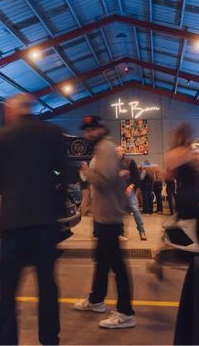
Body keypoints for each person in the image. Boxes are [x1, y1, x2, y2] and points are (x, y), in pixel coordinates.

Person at [0, 93, 69, 344]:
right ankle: (50, 338)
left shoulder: (3, 136)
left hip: (13, 223)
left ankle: (7, 340)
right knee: (47, 285)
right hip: (44, 222)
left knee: (8, 290)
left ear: (12, 110)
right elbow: (65, 173)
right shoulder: (52, 132)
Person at [72, 115, 138, 329]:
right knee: (102, 262)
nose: (87, 134)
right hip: (104, 215)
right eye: (86, 130)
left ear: (100, 129)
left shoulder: (106, 148)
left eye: (90, 129)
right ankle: (96, 300)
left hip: (110, 216)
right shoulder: (102, 147)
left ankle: (126, 312)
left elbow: (104, 180)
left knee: (117, 265)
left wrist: (86, 171)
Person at [163, 124, 199, 253]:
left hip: (182, 193)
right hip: (193, 194)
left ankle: (168, 246)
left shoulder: (172, 154)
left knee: (179, 222)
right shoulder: (189, 152)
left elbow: (168, 176)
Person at [118, 148, 146, 240]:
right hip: (118, 191)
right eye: (115, 151)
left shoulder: (130, 161)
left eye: (118, 151)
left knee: (135, 209)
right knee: (119, 212)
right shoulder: (113, 163)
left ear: (123, 152)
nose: (116, 153)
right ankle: (121, 233)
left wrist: (130, 187)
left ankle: (142, 231)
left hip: (129, 190)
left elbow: (137, 177)